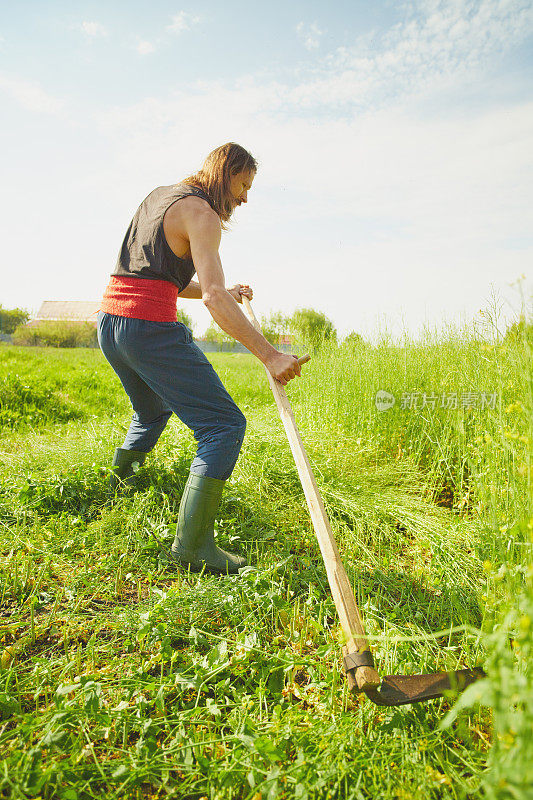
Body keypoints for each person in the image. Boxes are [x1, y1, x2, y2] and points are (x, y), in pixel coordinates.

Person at [97, 142, 300, 575]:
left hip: (111, 324)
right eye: (243, 185)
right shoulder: (205, 216)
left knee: (151, 411)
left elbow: (162, 281)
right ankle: (192, 547)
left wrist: (225, 292)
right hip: (148, 330)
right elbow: (209, 298)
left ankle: (119, 481)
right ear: (225, 173)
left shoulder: (160, 196)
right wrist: (270, 355)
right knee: (223, 425)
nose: (244, 198)